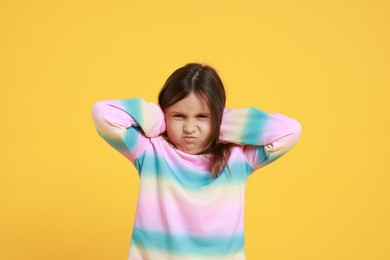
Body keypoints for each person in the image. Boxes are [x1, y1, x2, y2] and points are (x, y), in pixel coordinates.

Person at [91, 63, 302, 260]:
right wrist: (158, 118)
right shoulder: (149, 150)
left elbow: (290, 131)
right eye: (178, 116)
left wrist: (222, 122)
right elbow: (103, 114)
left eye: (202, 116)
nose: (189, 128)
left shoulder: (238, 157)